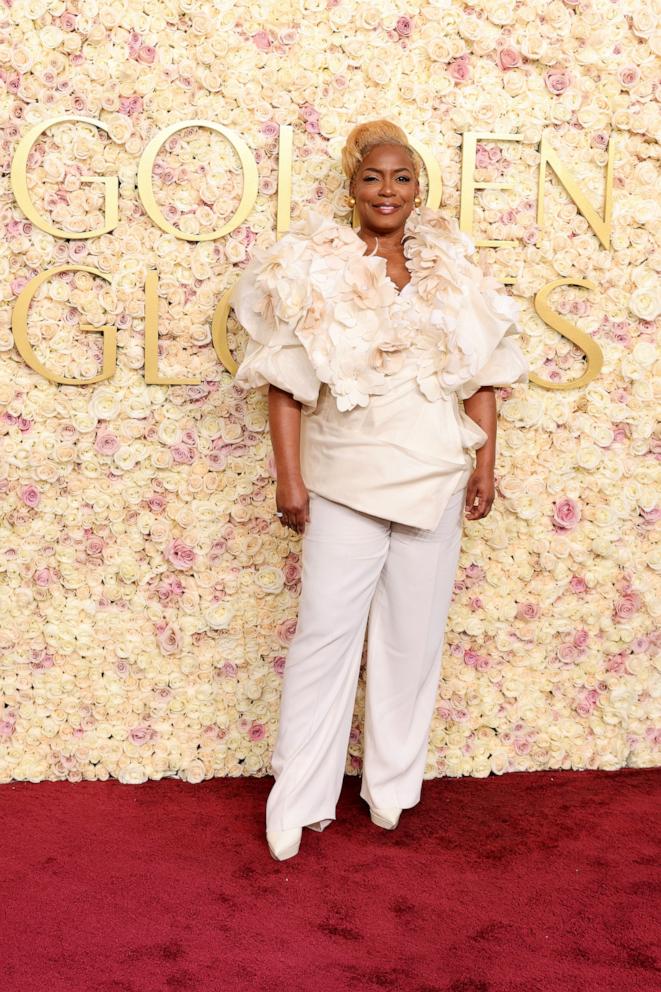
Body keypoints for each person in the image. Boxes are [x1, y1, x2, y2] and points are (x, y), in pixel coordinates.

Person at [230, 119, 529, 861]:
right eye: (373, 178)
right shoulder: (311, 268)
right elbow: (284, 386)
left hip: (436, 470)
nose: (387, 190)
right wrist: (290, 480)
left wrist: (485, 465)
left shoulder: (452, 269)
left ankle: (390, 788)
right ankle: (297, 799)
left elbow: (481, 375)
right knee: (324, 636)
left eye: (400, 178)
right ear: (352, 188)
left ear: (417, 188)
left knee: (411, 638)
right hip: (343, 475)